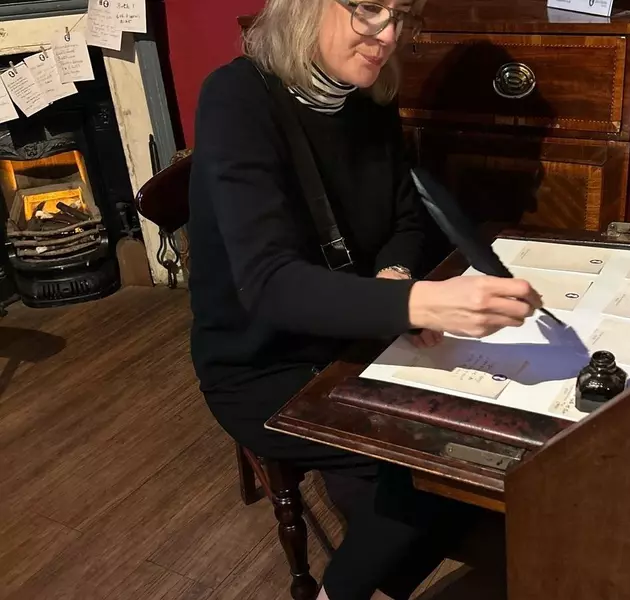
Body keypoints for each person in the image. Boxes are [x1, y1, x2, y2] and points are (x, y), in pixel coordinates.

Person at [187, 0, 543, 598]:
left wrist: (395, 278)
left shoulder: (366, 96)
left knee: (475, 459)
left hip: (352, 333)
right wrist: (419, 305)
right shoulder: (236, 99)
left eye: (402, 14)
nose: (387, 34)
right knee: (424, 477)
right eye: (367, 8)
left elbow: (405, 218)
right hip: (264, 362)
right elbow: (270, 282)